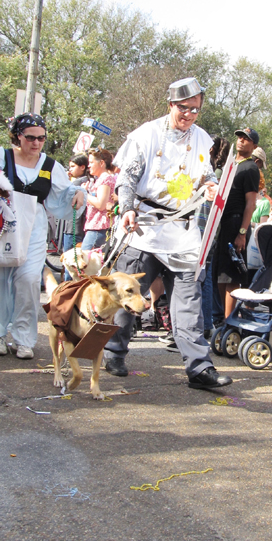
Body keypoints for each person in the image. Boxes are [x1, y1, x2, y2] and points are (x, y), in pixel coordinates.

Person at [106, 77, 232, 391]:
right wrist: (127, 208)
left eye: (195, 109)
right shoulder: (146, 134)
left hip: (184, 232)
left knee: (189, 302)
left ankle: (199, 368)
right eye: (183, 108)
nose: (189, 114)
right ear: (171, 104)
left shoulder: (202, 138)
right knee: (127, 296)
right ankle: (113, 351)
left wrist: (211, 185)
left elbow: (206, 174)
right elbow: (128, 177)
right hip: (145, 229)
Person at [0, 113, 85, 359]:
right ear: (18, 136)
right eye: (30, 138)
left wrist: (78, 193)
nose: (36, 143)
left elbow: (63, 194)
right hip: (1, 225)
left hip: (35, 227)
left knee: (28, 280)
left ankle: (23, 337)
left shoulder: (51, 166)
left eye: (41, 138)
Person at [215, 127, 260, 318]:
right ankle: (225, 319)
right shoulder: (231, 165)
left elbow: (251, 203)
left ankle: (229, 322)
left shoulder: (250, 168)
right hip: (222, 225)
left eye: (246, 138)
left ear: (254, 145)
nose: (241, 140)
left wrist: (242, 232)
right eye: (240, 137)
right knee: (220, 275)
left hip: (236, 223)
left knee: (232, 277)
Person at [61, 153, 90, 280]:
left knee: (70, 261)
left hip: (74, 227)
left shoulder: (79, 183)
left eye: (73, 166)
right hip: (77, 226)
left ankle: (69, 290)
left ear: (82, 167)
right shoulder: (85, 181)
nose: (70, 170)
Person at [82, 148, 116, 251]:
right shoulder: (101, 178)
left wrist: (84, 193)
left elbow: (101, 204)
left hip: (99, 227)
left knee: (84, 260)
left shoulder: (105, 178)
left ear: (101, 163)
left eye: (91, 162)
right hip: (96, 226)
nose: (89, 165)